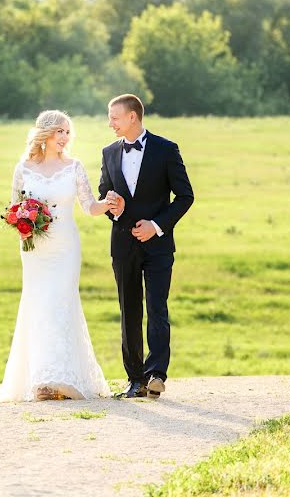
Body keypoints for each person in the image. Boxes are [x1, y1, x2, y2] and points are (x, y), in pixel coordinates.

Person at [0, 110, 116, 402]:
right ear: (45, 134)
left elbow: (88, 206)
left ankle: (61, 376)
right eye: (60, 132)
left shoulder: (74, 167)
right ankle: (41, 380)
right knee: (38, 304)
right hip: (36, 250)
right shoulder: (23, 168)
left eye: (67, 132)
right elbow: (13, 208)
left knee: (60, 302)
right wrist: (23, 225)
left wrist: (108, 203)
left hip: (65, 248)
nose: (65, 137)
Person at [98, 94, 194, 399]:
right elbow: (104, 192)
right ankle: (135, 379)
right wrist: (114, 207)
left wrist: (156, 226)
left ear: (132, 117)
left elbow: (185, 196)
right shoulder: (109, 152)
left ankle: (156, 374)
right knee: (129, 310)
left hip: (159, 246)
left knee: (156, 308)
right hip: (123, 245)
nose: (110, 123)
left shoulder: (166, 149)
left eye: (114, 117)